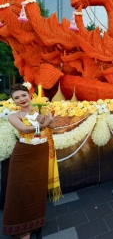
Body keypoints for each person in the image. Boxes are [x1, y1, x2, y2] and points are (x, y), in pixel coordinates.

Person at [2, 83, 56, 239]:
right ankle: (19, 230)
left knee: (36, 189)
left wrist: (50, 122)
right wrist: (43, 124)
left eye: (23, 95)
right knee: (19, 190)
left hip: (40, 151)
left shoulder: (42, 110)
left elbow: (52, 127)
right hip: (23, 154)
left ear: (30, 95)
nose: (21, 99)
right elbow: (24, 130)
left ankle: (33, 224)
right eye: (17, 98)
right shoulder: (14, 116)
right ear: (14, 101)